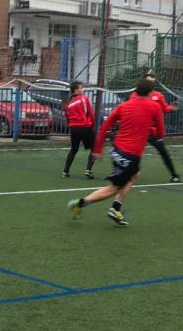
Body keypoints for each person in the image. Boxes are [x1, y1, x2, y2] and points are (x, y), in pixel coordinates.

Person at [67, 77, 164, 227]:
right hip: (130, 155)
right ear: (151, 92)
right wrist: (150, 130)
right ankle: (80, 203)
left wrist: (98, 149)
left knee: (134, 176)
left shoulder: (124, 105)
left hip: (116, 150)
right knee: (114, 188)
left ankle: (116, 208)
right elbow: (161, 133)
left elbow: (105, 126)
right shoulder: (154, 106)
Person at [144, 73, 181, 183]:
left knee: (163, 152)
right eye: (148, 82)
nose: (151, 84)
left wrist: (171, 108)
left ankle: (174, 175)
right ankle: (121, 173)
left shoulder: (158, 96)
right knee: (129, 151)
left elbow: (165, 108)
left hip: (153, 132)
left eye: (153, 82)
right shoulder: (136, 95)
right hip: (140, 130)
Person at [62, 80, 96, 179]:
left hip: (74, 129)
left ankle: (65, 171)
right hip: (85, 127)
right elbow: (90, 114)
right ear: (76, 90)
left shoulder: (68, 104)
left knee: (74, 149)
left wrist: (71, 126)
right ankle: (88, 170)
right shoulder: (84, 99)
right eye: (81, 88)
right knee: (94, 148)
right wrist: (92, 125)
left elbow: (68, 118)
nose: (83, 89)